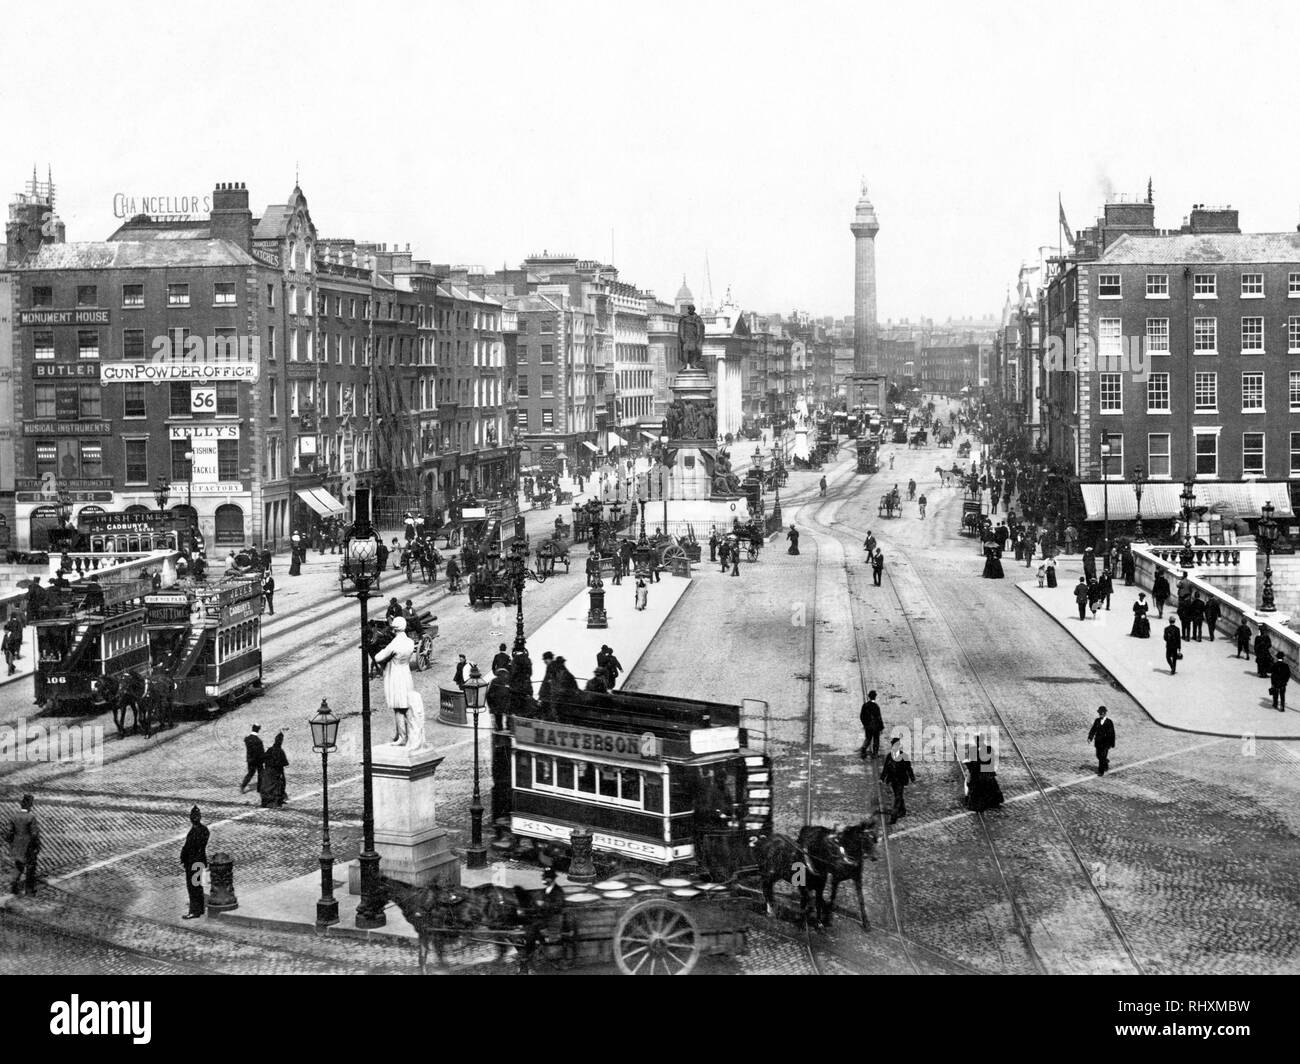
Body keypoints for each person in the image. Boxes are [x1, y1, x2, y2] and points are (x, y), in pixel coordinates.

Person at [6, 794, 40, 897]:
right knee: (30, 868)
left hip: (17, 846)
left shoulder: (14, 817)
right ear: (30, 805)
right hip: (28, 847)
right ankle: (29, 891)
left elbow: (9, 833)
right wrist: (37, 846)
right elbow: (34, 834)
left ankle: (14, 887)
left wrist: (12, 844)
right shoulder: (31, 817)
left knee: (18, 866)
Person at [180, 805, 209, 918]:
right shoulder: (205, 830)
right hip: (200, 860)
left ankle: (194, 911)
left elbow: (188, 848)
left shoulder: (194, 832)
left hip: (192, 862)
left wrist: (183, 857)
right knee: (197, 885)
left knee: (193, 887)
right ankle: (200, 908)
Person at [880, 738, 915, 824]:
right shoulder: (889, 756)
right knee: (898, 795)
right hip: (892, 780)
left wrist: (912, 777)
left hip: (901, 780)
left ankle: (893, 817)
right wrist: (882, 778)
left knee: (897, 798)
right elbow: (886, 768)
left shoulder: (904, 756)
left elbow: (908, 768)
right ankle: (902, 810)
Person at [258, 733, 289, 807]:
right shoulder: (280, 751)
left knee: (267, 787)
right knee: (278, 785)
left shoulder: (270, 749)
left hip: (268, 771)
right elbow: (285, 763)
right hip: (276, 772)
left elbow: (262, 758)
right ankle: (276, 802)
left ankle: (266, 802)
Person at [1086, 706, 1116, 776]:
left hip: (1106, 743)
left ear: (1105, 713)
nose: (1100, 715)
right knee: (1098, 755)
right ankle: (1105, 762)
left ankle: (1101, 771)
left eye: (1102, 713)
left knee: (1102, 756)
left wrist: (1112, 743)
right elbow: (1093, 729)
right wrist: (1090, 738)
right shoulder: (1097, 720)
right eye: (1099, 713)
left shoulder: (1109, 722)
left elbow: (1112, 733)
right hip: (1098, 742)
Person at [240, 724, 265, 794]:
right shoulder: (259, 741)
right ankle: (260, 788)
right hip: (258, 760)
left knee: (250, 773)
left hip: (250, 759)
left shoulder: (247, 739)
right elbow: (261, 752)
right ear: (258, 730)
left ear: (252, 728)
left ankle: (243, 786)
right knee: (261, 773)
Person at [859, 690, 884, 759]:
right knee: (876, 740)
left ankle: (863, 749)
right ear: (875, 697)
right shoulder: (876, 706)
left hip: (868, 726)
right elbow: (879, 717)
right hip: (875, 726)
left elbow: (861, 716)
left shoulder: (865, 705)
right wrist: (881, 726)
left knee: (868, 738)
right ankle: (875, 754)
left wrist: (865, 724)